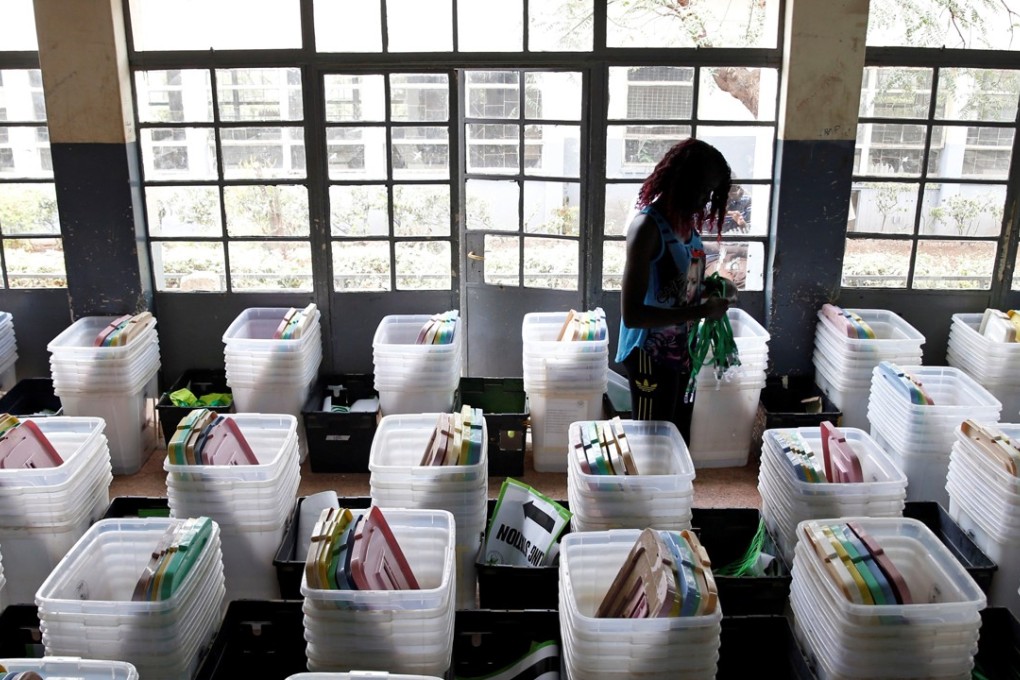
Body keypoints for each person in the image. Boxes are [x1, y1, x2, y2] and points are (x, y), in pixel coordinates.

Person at [616, 138, 732, 444]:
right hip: (649, 354)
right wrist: (702, 311)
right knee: (651, 440)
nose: (706, 200)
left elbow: (684, 286)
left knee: (676, 436)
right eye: (704, 189)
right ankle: (645, 493)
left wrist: (712, 289)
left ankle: (668, 491)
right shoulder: (647, 229)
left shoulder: (685, 226)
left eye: (712, 193)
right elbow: (633, 315)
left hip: (680, 350)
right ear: (683, 180)